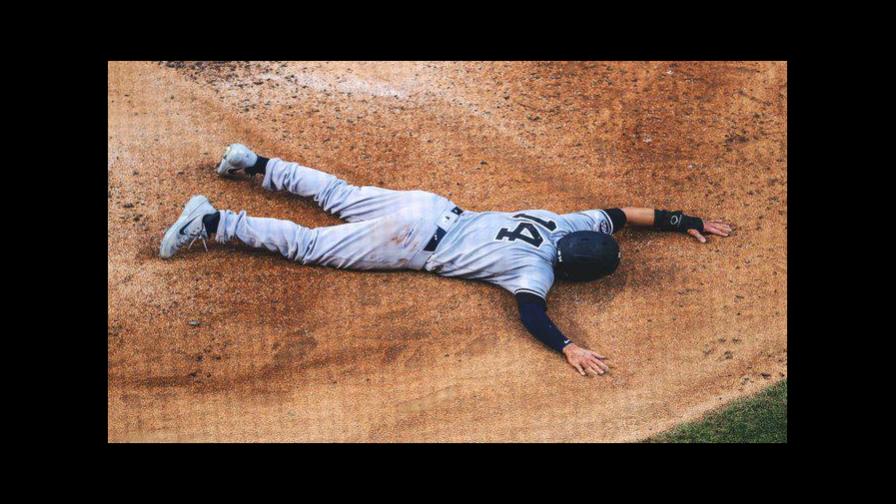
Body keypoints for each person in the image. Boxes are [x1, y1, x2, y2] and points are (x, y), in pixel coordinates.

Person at [161, 144, 732, 378]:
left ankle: (252, 162)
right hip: (409, 244)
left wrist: (686, 221)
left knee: (335, 192)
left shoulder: (567, 221)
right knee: (313, 246)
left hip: (430, 206)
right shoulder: (533, 273)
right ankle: (214, 223)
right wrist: (569, 347)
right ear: (574, 271)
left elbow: (623, 213)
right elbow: (532, 316)